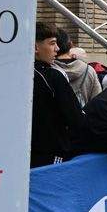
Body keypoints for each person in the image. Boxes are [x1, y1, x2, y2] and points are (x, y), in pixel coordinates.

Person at [32, 21, 83, 166]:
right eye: (52, 43)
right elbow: (76, 119)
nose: (57, 48)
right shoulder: (52, 77)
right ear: (36, 47)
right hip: (50, 155)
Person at [54, 29, 100, 108]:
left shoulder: (45, 70)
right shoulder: (89, 70)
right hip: (82, 117)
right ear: (71, 45)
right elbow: (97, 100)